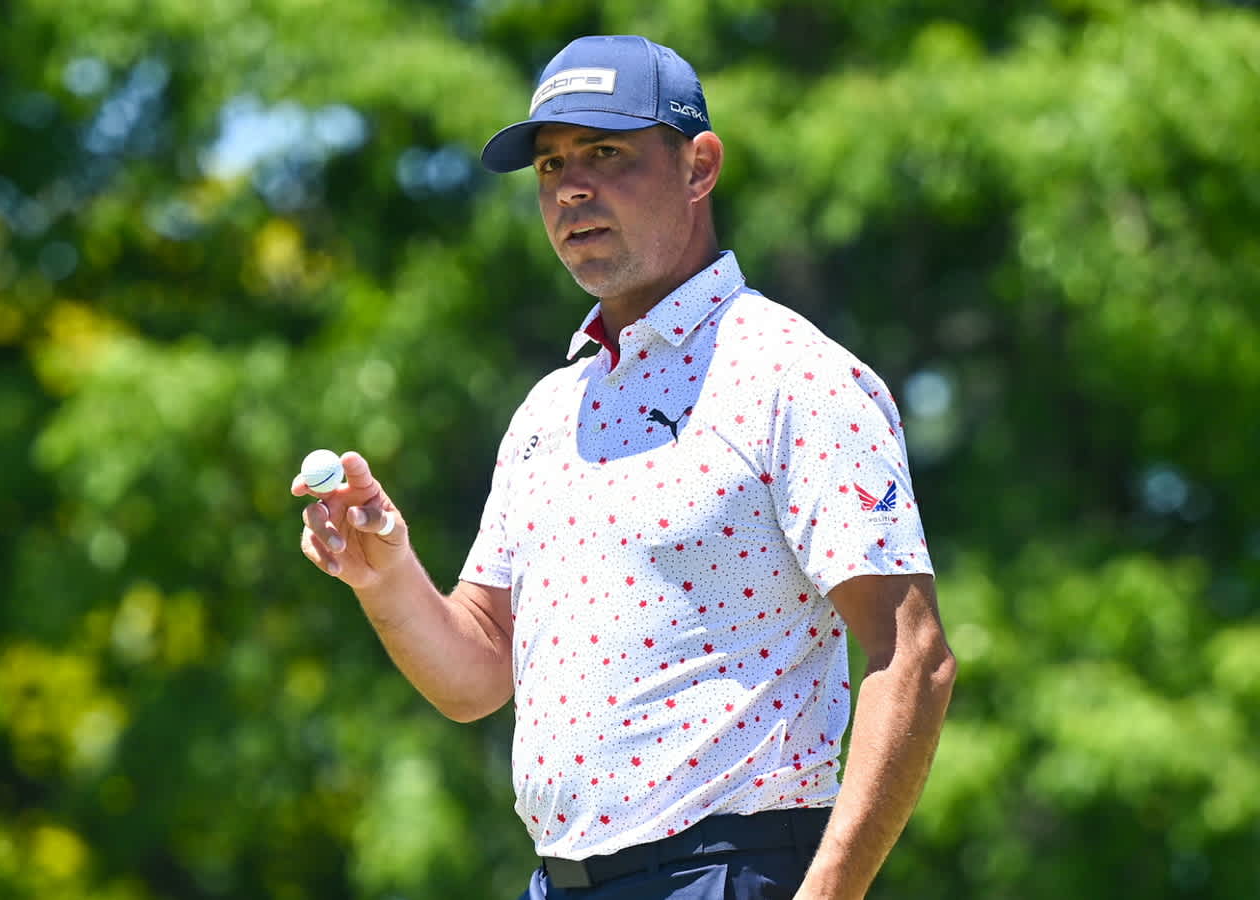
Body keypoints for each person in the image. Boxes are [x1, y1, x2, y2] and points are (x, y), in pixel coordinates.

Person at [294, 34, 956, 900]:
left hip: (725, 871)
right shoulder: (549, 411)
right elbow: (477, 674)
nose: (571, 187)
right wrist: (385, 577)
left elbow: (913, 654)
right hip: (559, 882)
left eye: (606, 153)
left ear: (699, 167)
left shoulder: (793, 375)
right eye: (551, 165)